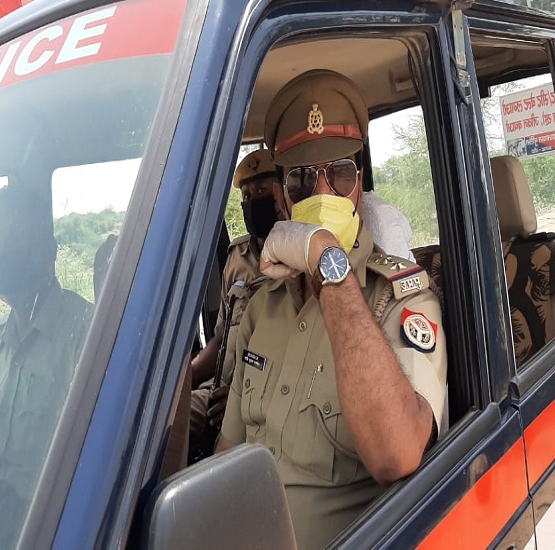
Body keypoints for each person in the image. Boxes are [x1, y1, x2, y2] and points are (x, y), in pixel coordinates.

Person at [216, 69, 448, 549]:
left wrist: (328, 260)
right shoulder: (261, 306)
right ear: (282, 194)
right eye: (301, 179)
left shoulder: (401, 300)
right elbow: (227, 454)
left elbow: (398, 453)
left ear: (358, 185)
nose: (323, 193)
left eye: (339, 173)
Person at [0, 184, 94, 545]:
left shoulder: (86, 336)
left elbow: (93, 472)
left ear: (47, 251)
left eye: (13, 241)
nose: (1, 255)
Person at [188, 149, 282, 457]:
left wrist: (244, 398)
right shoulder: (236, 258)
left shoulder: (297, 261)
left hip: (263, 398)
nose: (253, 200)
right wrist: (179, 382)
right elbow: (219, 340)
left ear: (280, 194)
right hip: (218, 389)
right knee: (162, 421)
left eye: (262, 191)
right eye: (246, 195)